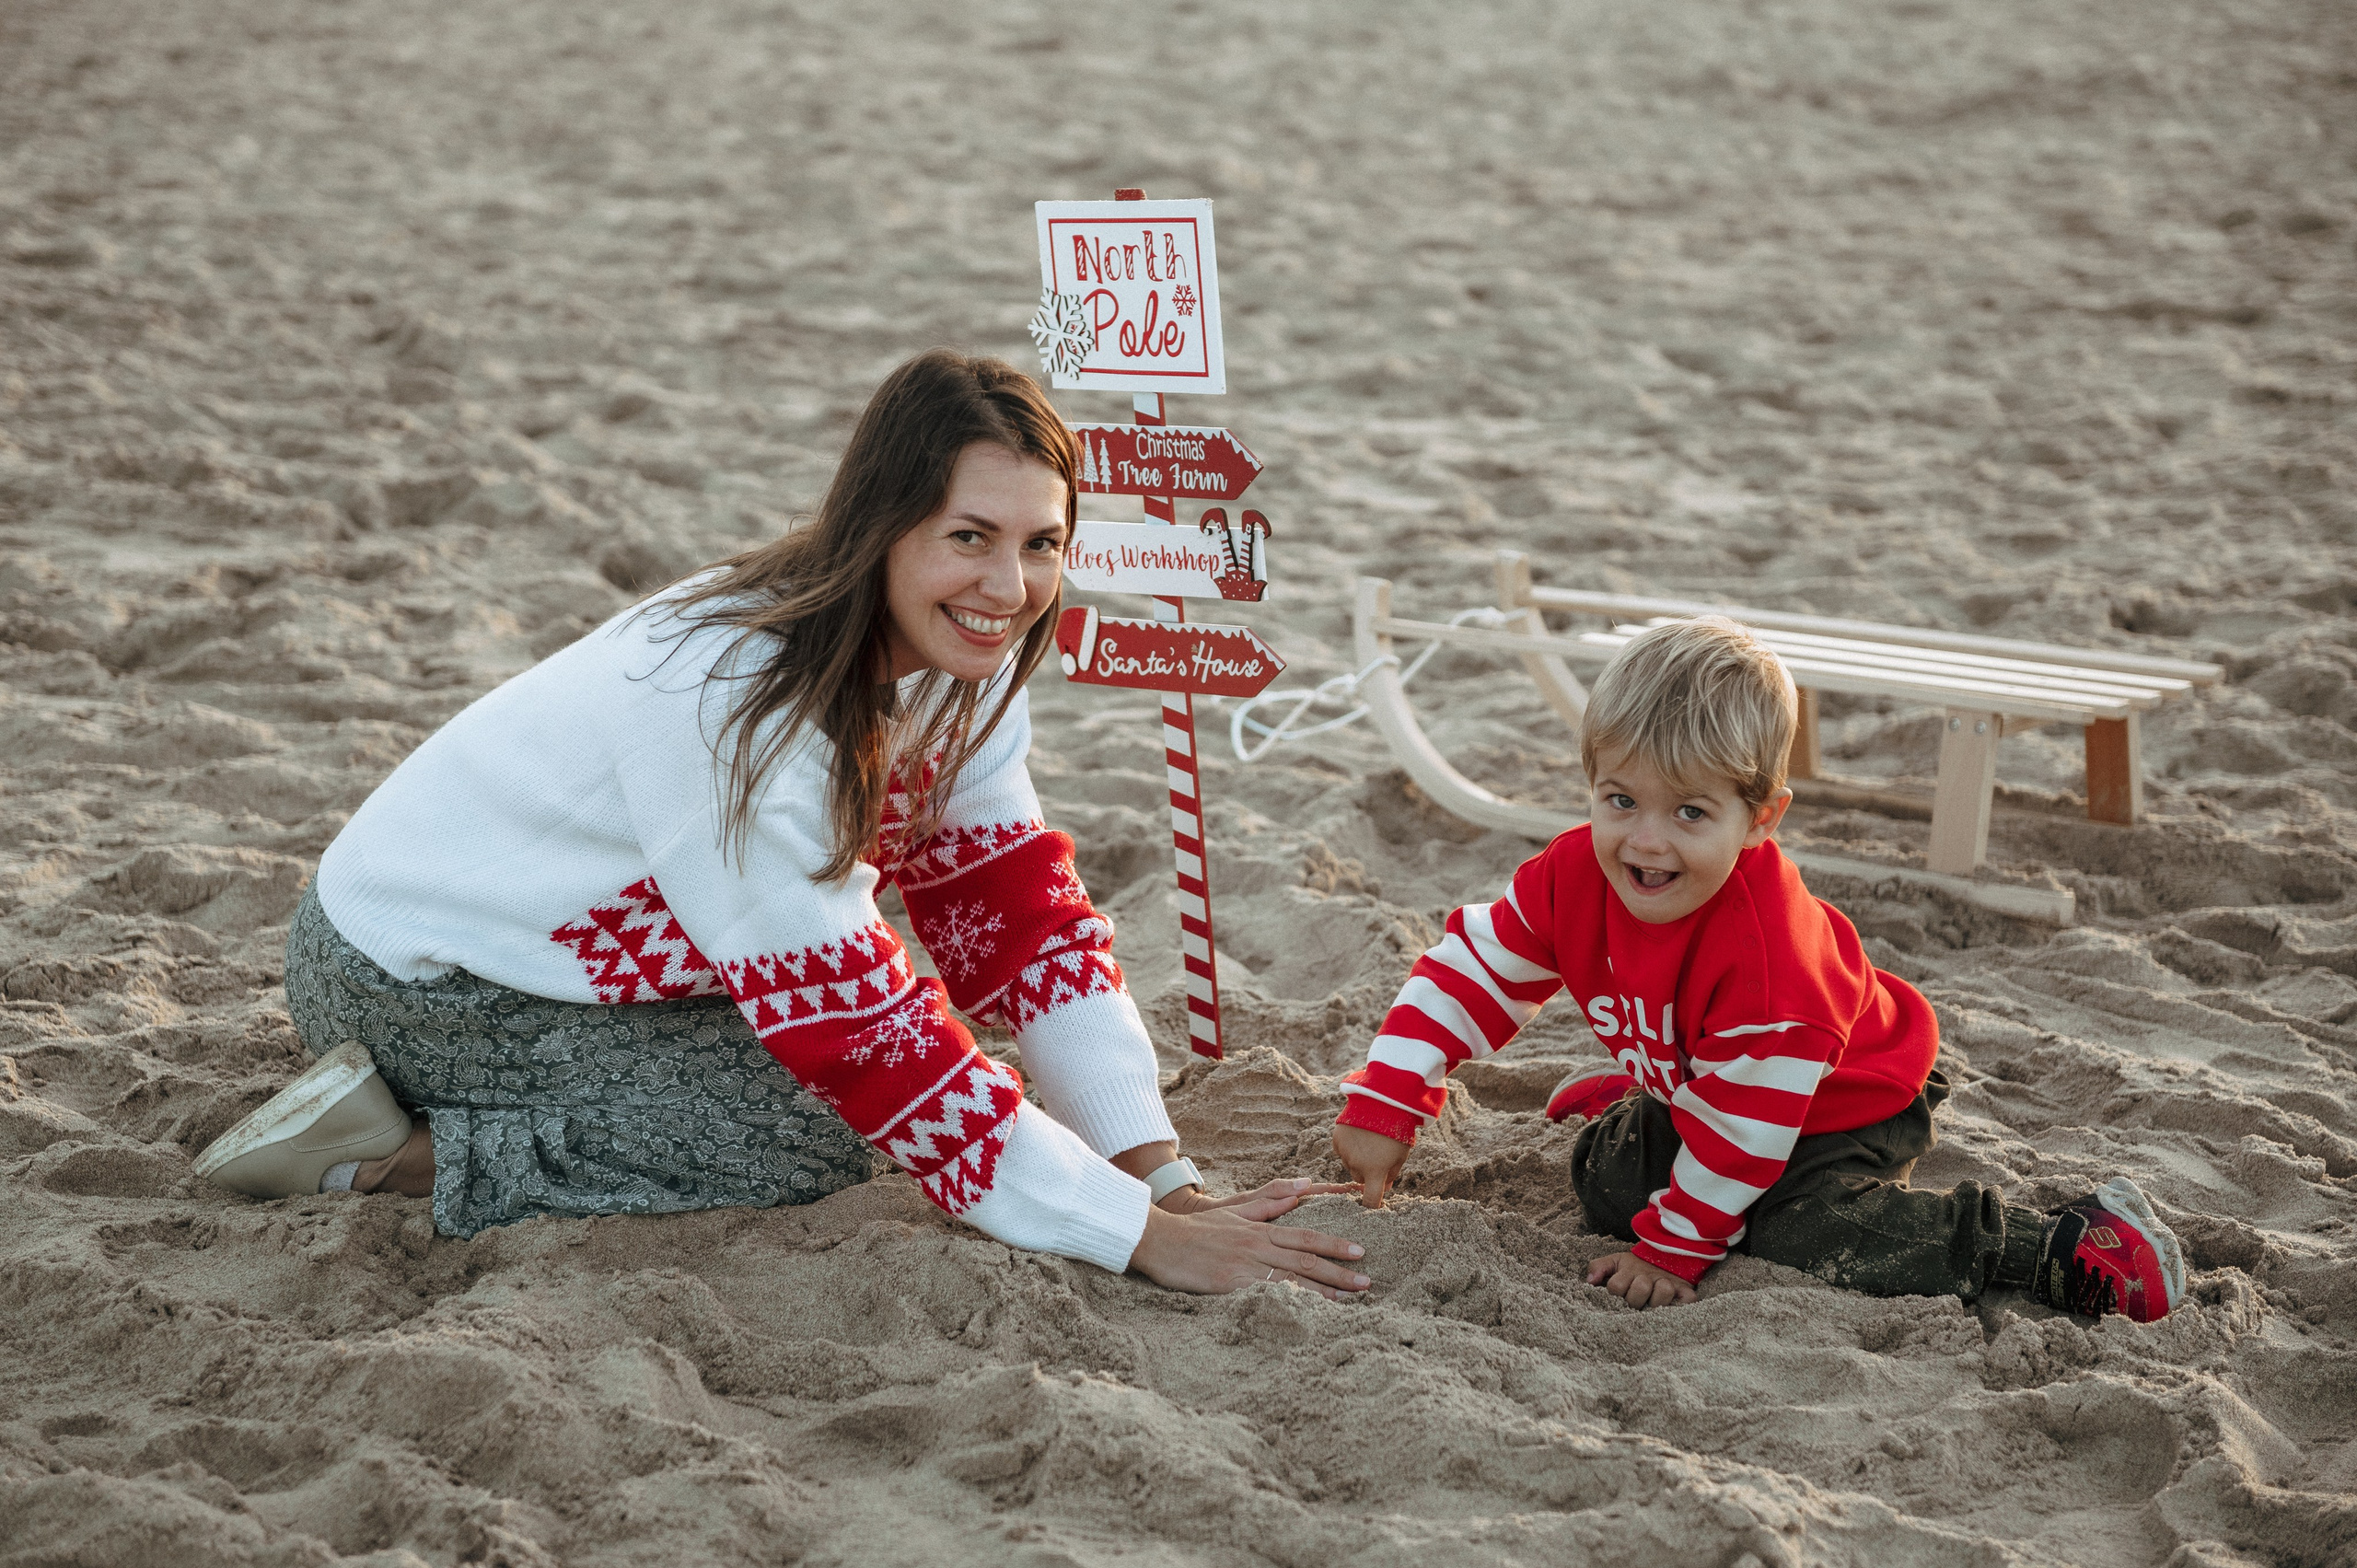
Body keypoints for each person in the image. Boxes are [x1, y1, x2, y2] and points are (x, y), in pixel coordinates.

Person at [198, 349, 1369, 1301]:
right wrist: (1136, 1237)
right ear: (883, 524)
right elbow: (857, 1021)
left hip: (591, 960)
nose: (1009, 587)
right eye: (969, 536)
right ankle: (384, 1151)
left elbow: (1014, 917)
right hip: (409, 973)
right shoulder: (732, 695)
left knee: (908, 1096)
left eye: (1041, 542)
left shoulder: (957, 666)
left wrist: (1153, 1168)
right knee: (804, 1138)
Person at [1328, 616, 2187, 1322]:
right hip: (1717, 1084)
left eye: (1691, 812)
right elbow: (1467, 971)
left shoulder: (1767, 961)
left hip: (1839, 1098)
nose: (1646, 840)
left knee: (1794, 1232)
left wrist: (1672, 1252)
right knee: (1605, 1182)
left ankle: (2061, 1244)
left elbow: (1747, 1133)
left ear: (1761, 817)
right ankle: (1653, 1100)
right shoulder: (1573, 875)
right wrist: (1387, 1099)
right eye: (1620, 799)